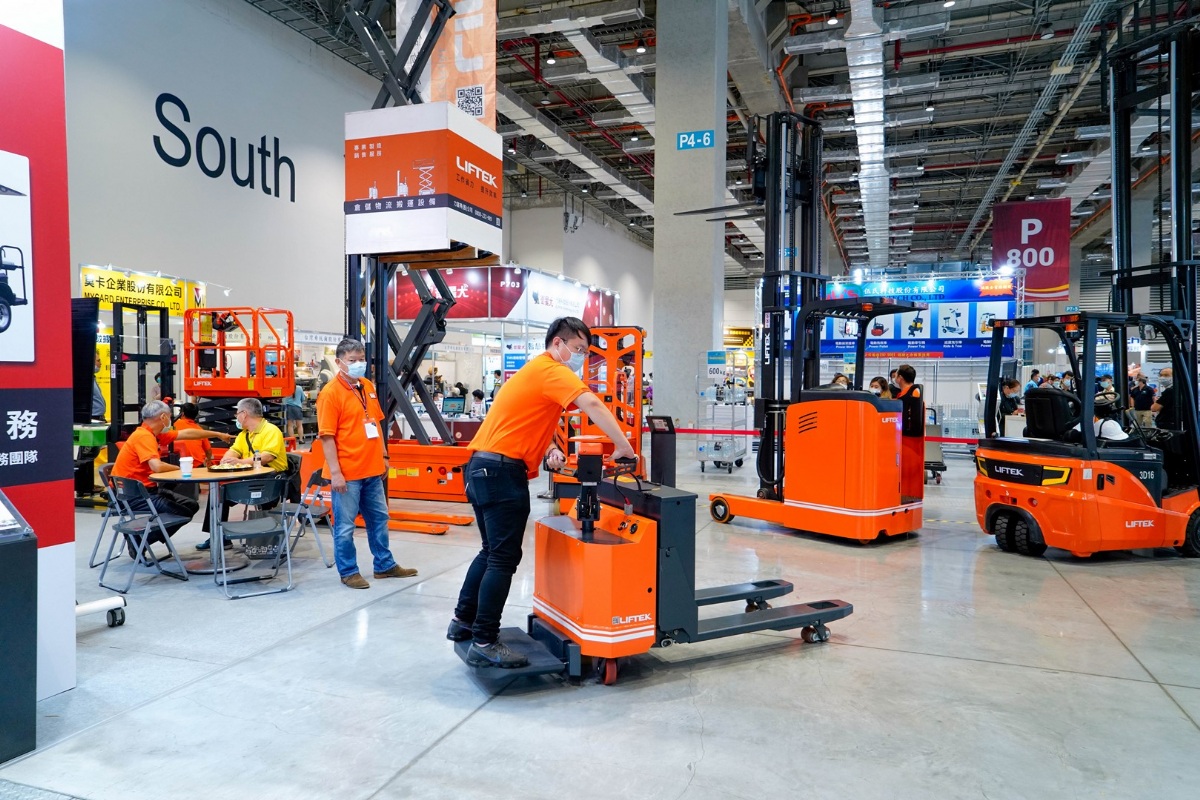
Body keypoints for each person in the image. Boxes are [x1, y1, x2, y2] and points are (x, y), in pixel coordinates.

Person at [448, 317, 637, 669]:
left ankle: (462, 622)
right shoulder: (552, 369)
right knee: (503, 559)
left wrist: (549, 448)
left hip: (481, 467)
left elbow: (529, 418)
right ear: (557, 344)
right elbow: (593, 405)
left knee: (490, 552)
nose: (580, 357)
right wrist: (624, 446)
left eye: (585, 352)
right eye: (578, 349)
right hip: (502, 474)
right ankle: (485, 641)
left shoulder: (534, 371)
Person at [318, 338, 417, 589]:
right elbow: (327, 437)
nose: (359, 364)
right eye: (352, 360)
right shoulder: (330, 393)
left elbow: (376, 423)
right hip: (347, 473)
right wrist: (336, 473)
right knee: (345, 526)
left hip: (373, 470)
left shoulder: (367, 386)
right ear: (339, 362)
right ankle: (348, 571)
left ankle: (384, 565)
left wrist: (383, 456)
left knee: (379, 519)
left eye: (361, 359)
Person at [111, 401, 229, 556]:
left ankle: (142, 538)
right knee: (182, 512)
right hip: (133, 496)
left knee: (191, 505)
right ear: (163, 417)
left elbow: (187, 434)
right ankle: (139, 540)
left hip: (143, 491)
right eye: (170, 416)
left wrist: (217, 434)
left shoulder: (153, 434)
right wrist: (181, 469)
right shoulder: (144, 437)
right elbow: (157, 466)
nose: (171, 419)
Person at [198, 397, 289, 546]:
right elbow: (234, 450)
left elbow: (267, 456)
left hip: (270, 481)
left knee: (256, 498)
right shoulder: (244, 434)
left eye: (237, 413)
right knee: (218, 492)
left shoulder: (271, 431)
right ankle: (217, 537)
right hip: (249, 479)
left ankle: (266, 538)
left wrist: (240, 462)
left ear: (244, 414)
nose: (236, 417)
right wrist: (227, 459)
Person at [173, 403, 213, 469]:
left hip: (179, 466)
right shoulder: (200, 430)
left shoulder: (174, 425)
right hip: (197, 466)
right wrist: (208, 459)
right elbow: (208, 451)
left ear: (182, 414)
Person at [91, 353, 107, 422]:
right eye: (98, 361)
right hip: (93, 417)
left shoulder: (93, 379)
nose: (100, 363)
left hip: (98, 417)